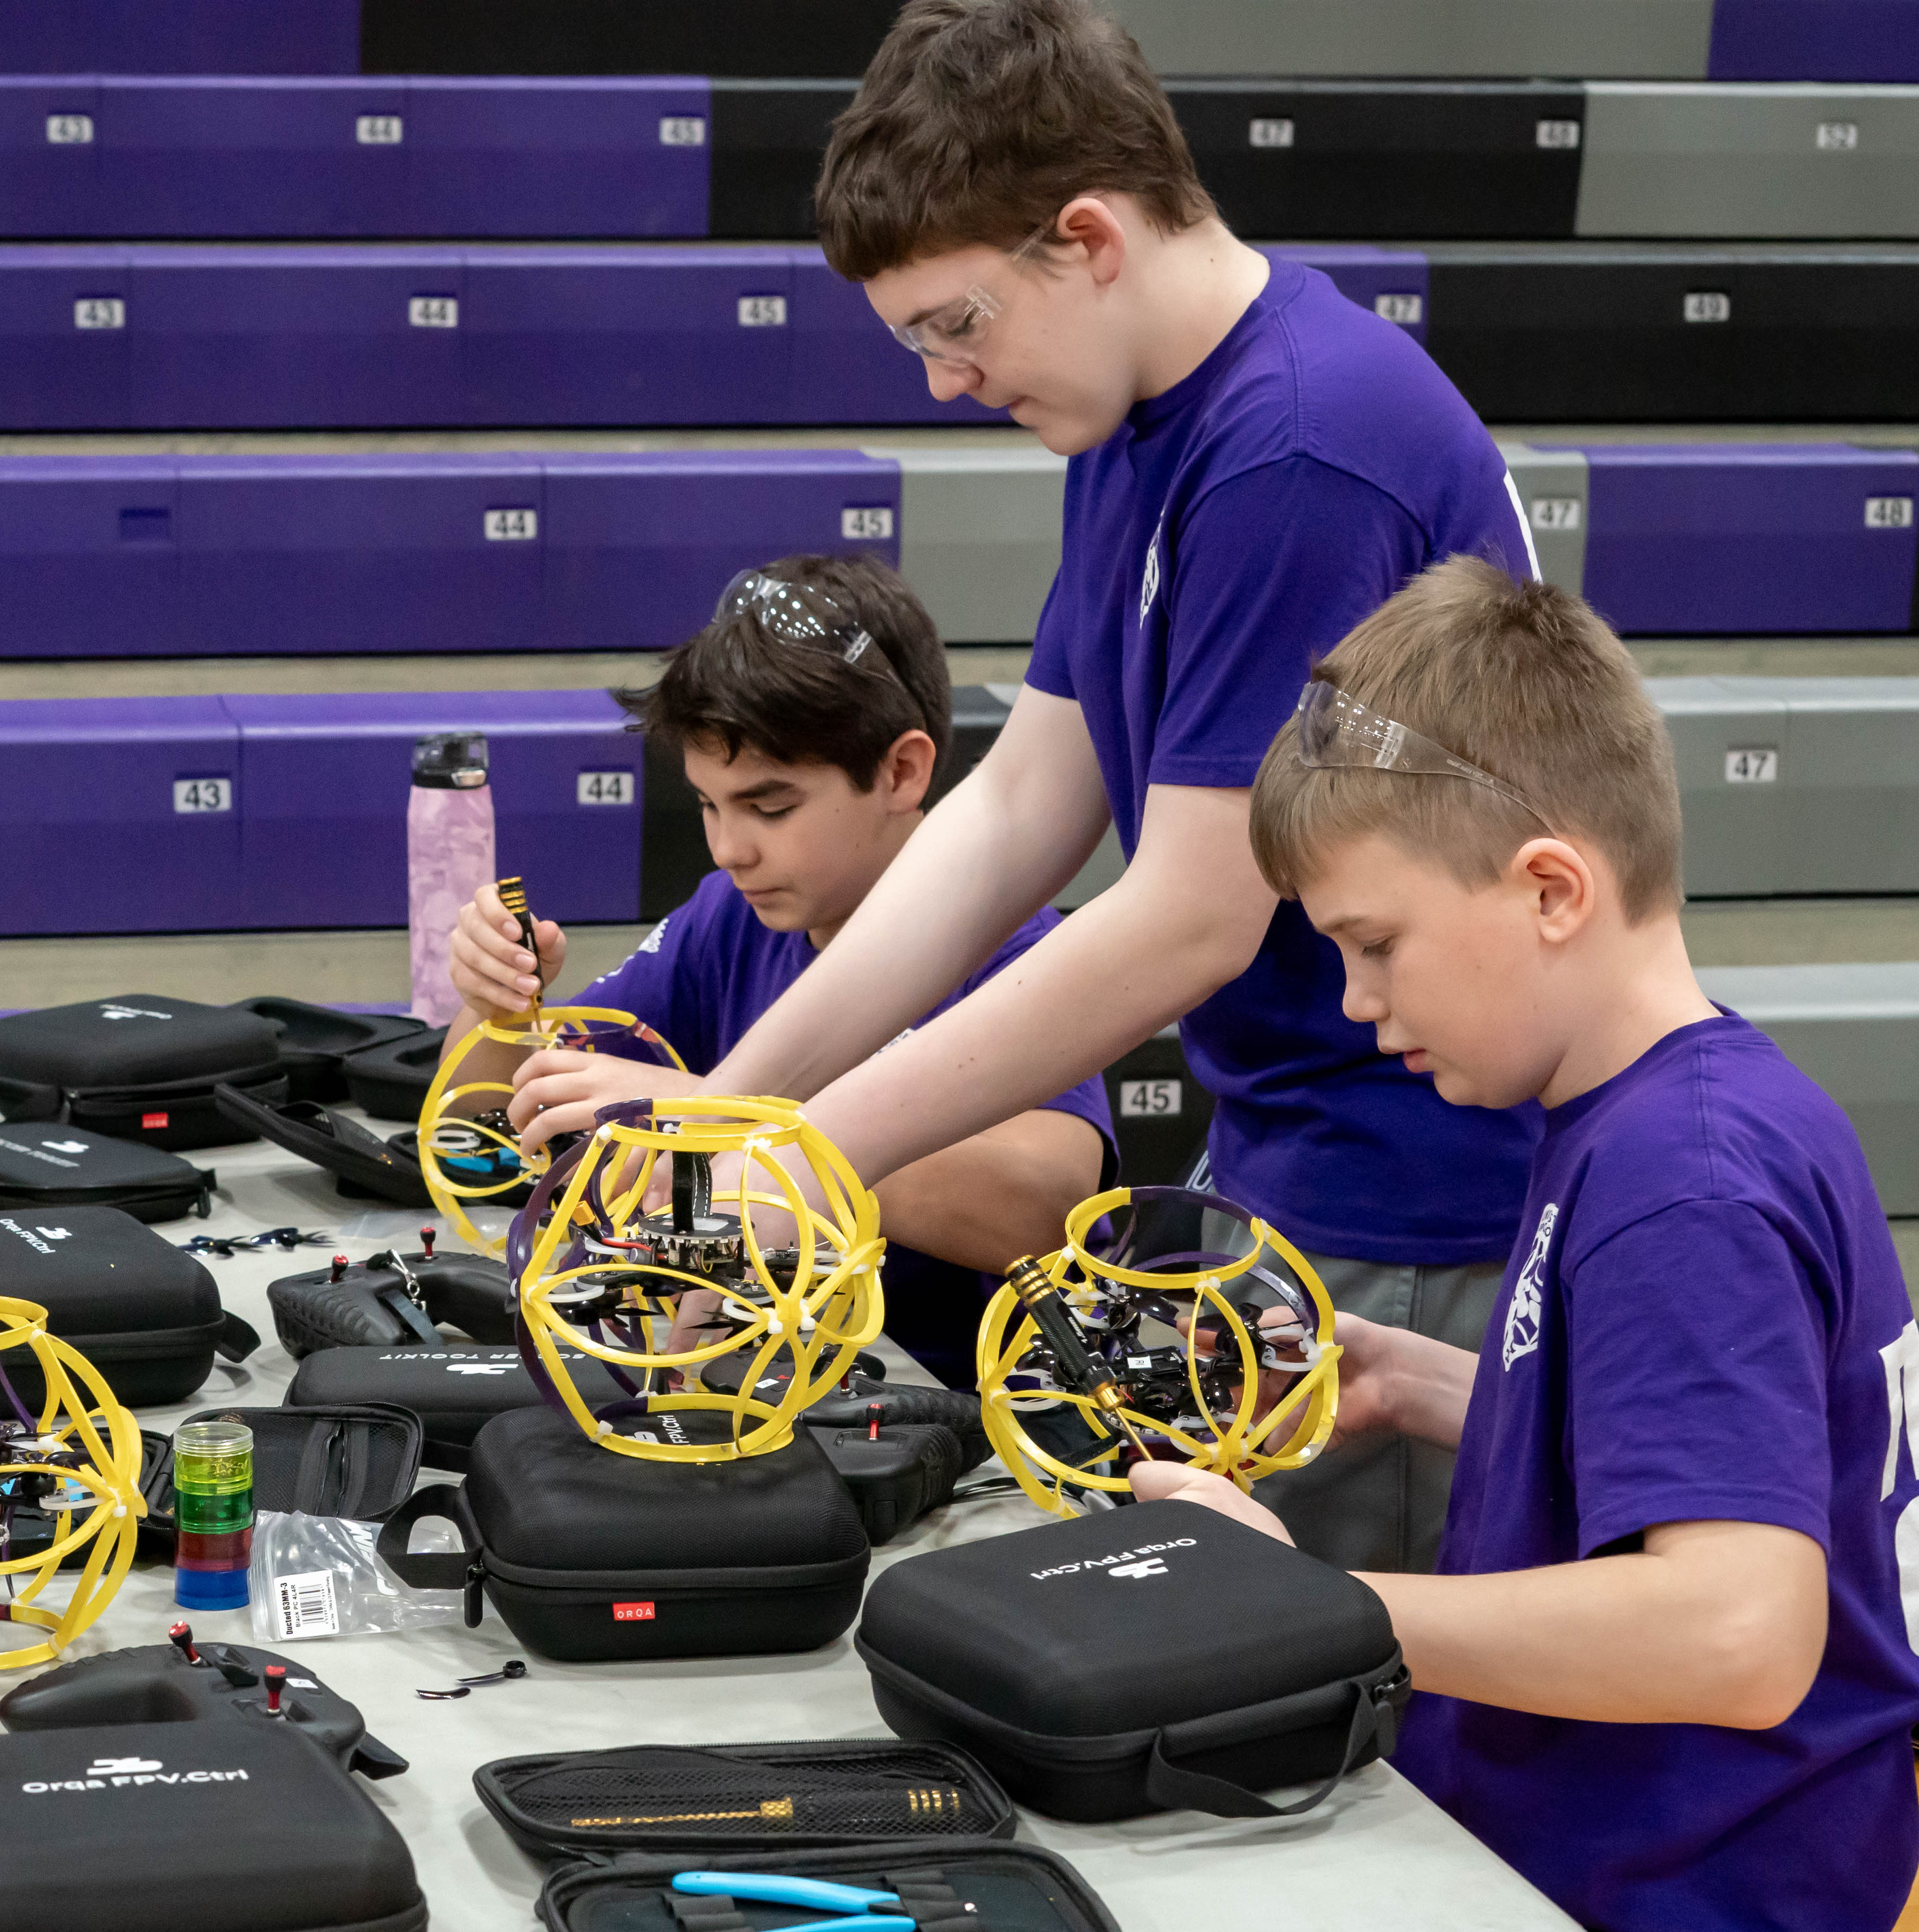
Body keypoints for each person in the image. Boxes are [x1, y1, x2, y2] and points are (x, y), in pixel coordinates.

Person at [518, 0, 1548, 1573]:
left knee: (1347, 1738)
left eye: (956, 324)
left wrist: (799, 1158)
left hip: (1420, 1206)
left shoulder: (1293, 451)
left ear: (1086, 238)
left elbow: (1188, 919)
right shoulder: (1145, 417)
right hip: (1295, 1152)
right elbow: (1011, 817)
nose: (944, 380)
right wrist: (742, 1116)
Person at [1137, 560, 1919, 1932]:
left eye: (1377, 944)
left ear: (1551, 891)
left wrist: (1303, 1604)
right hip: (1651, 1930)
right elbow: (1742, 1459)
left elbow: (1737, 1631)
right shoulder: (1688, 1112)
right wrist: (1448, 1389)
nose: (1364, 1006)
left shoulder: (1678, 1182)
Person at [448, 553, 1112, 1385]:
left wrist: (734, 1115)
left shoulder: (1015, 949)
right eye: (707, 805)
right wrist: (495, 1005)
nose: (731, 849)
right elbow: (479, 1125)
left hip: (958, 1421)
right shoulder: (731, 914)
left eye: (770, 806)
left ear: (903, 771)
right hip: (757, 1380)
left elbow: (1045, 1211)